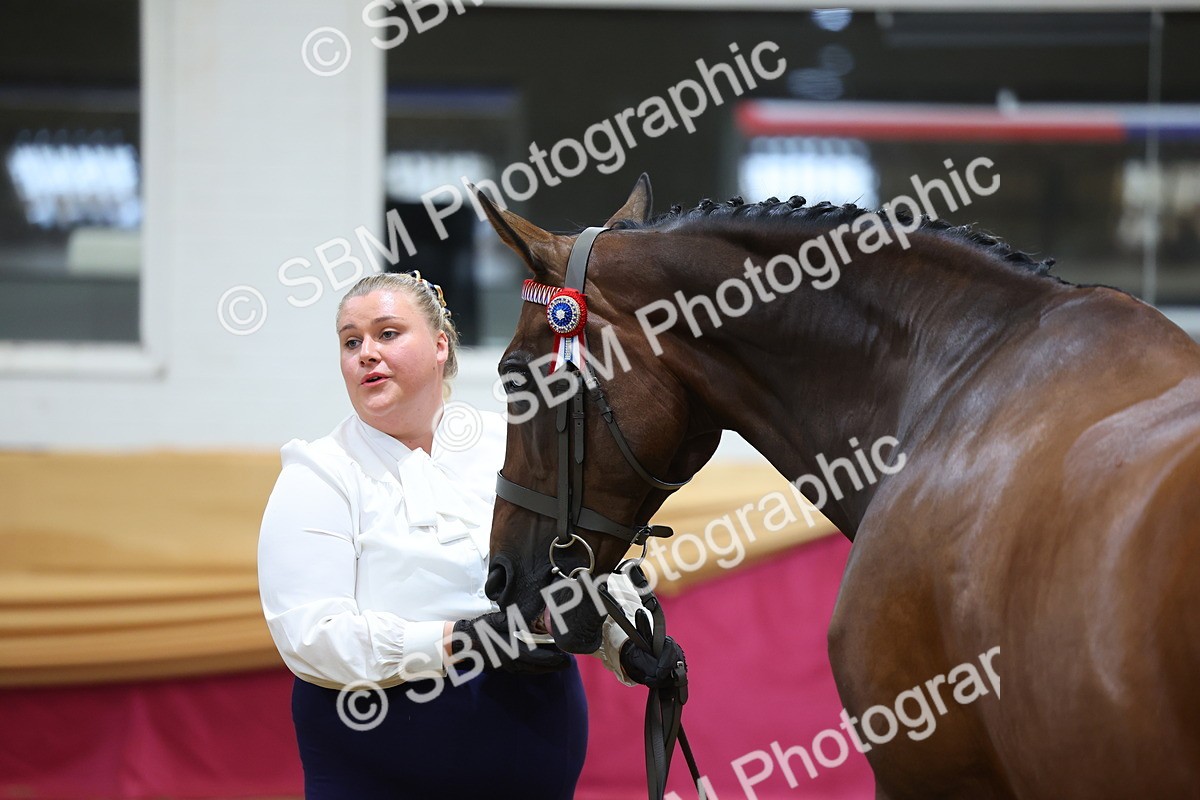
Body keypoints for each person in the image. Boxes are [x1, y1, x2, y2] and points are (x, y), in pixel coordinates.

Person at [258, 272, 683, 800]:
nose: (366, 352)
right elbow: (311, 636)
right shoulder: (317, 471)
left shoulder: (515, 446)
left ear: (440, 345)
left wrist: (627, 640)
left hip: (535, 745)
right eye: (351, 341)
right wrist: (462, 640)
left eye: (387, 333)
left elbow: (574, 575)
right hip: (373, 764)